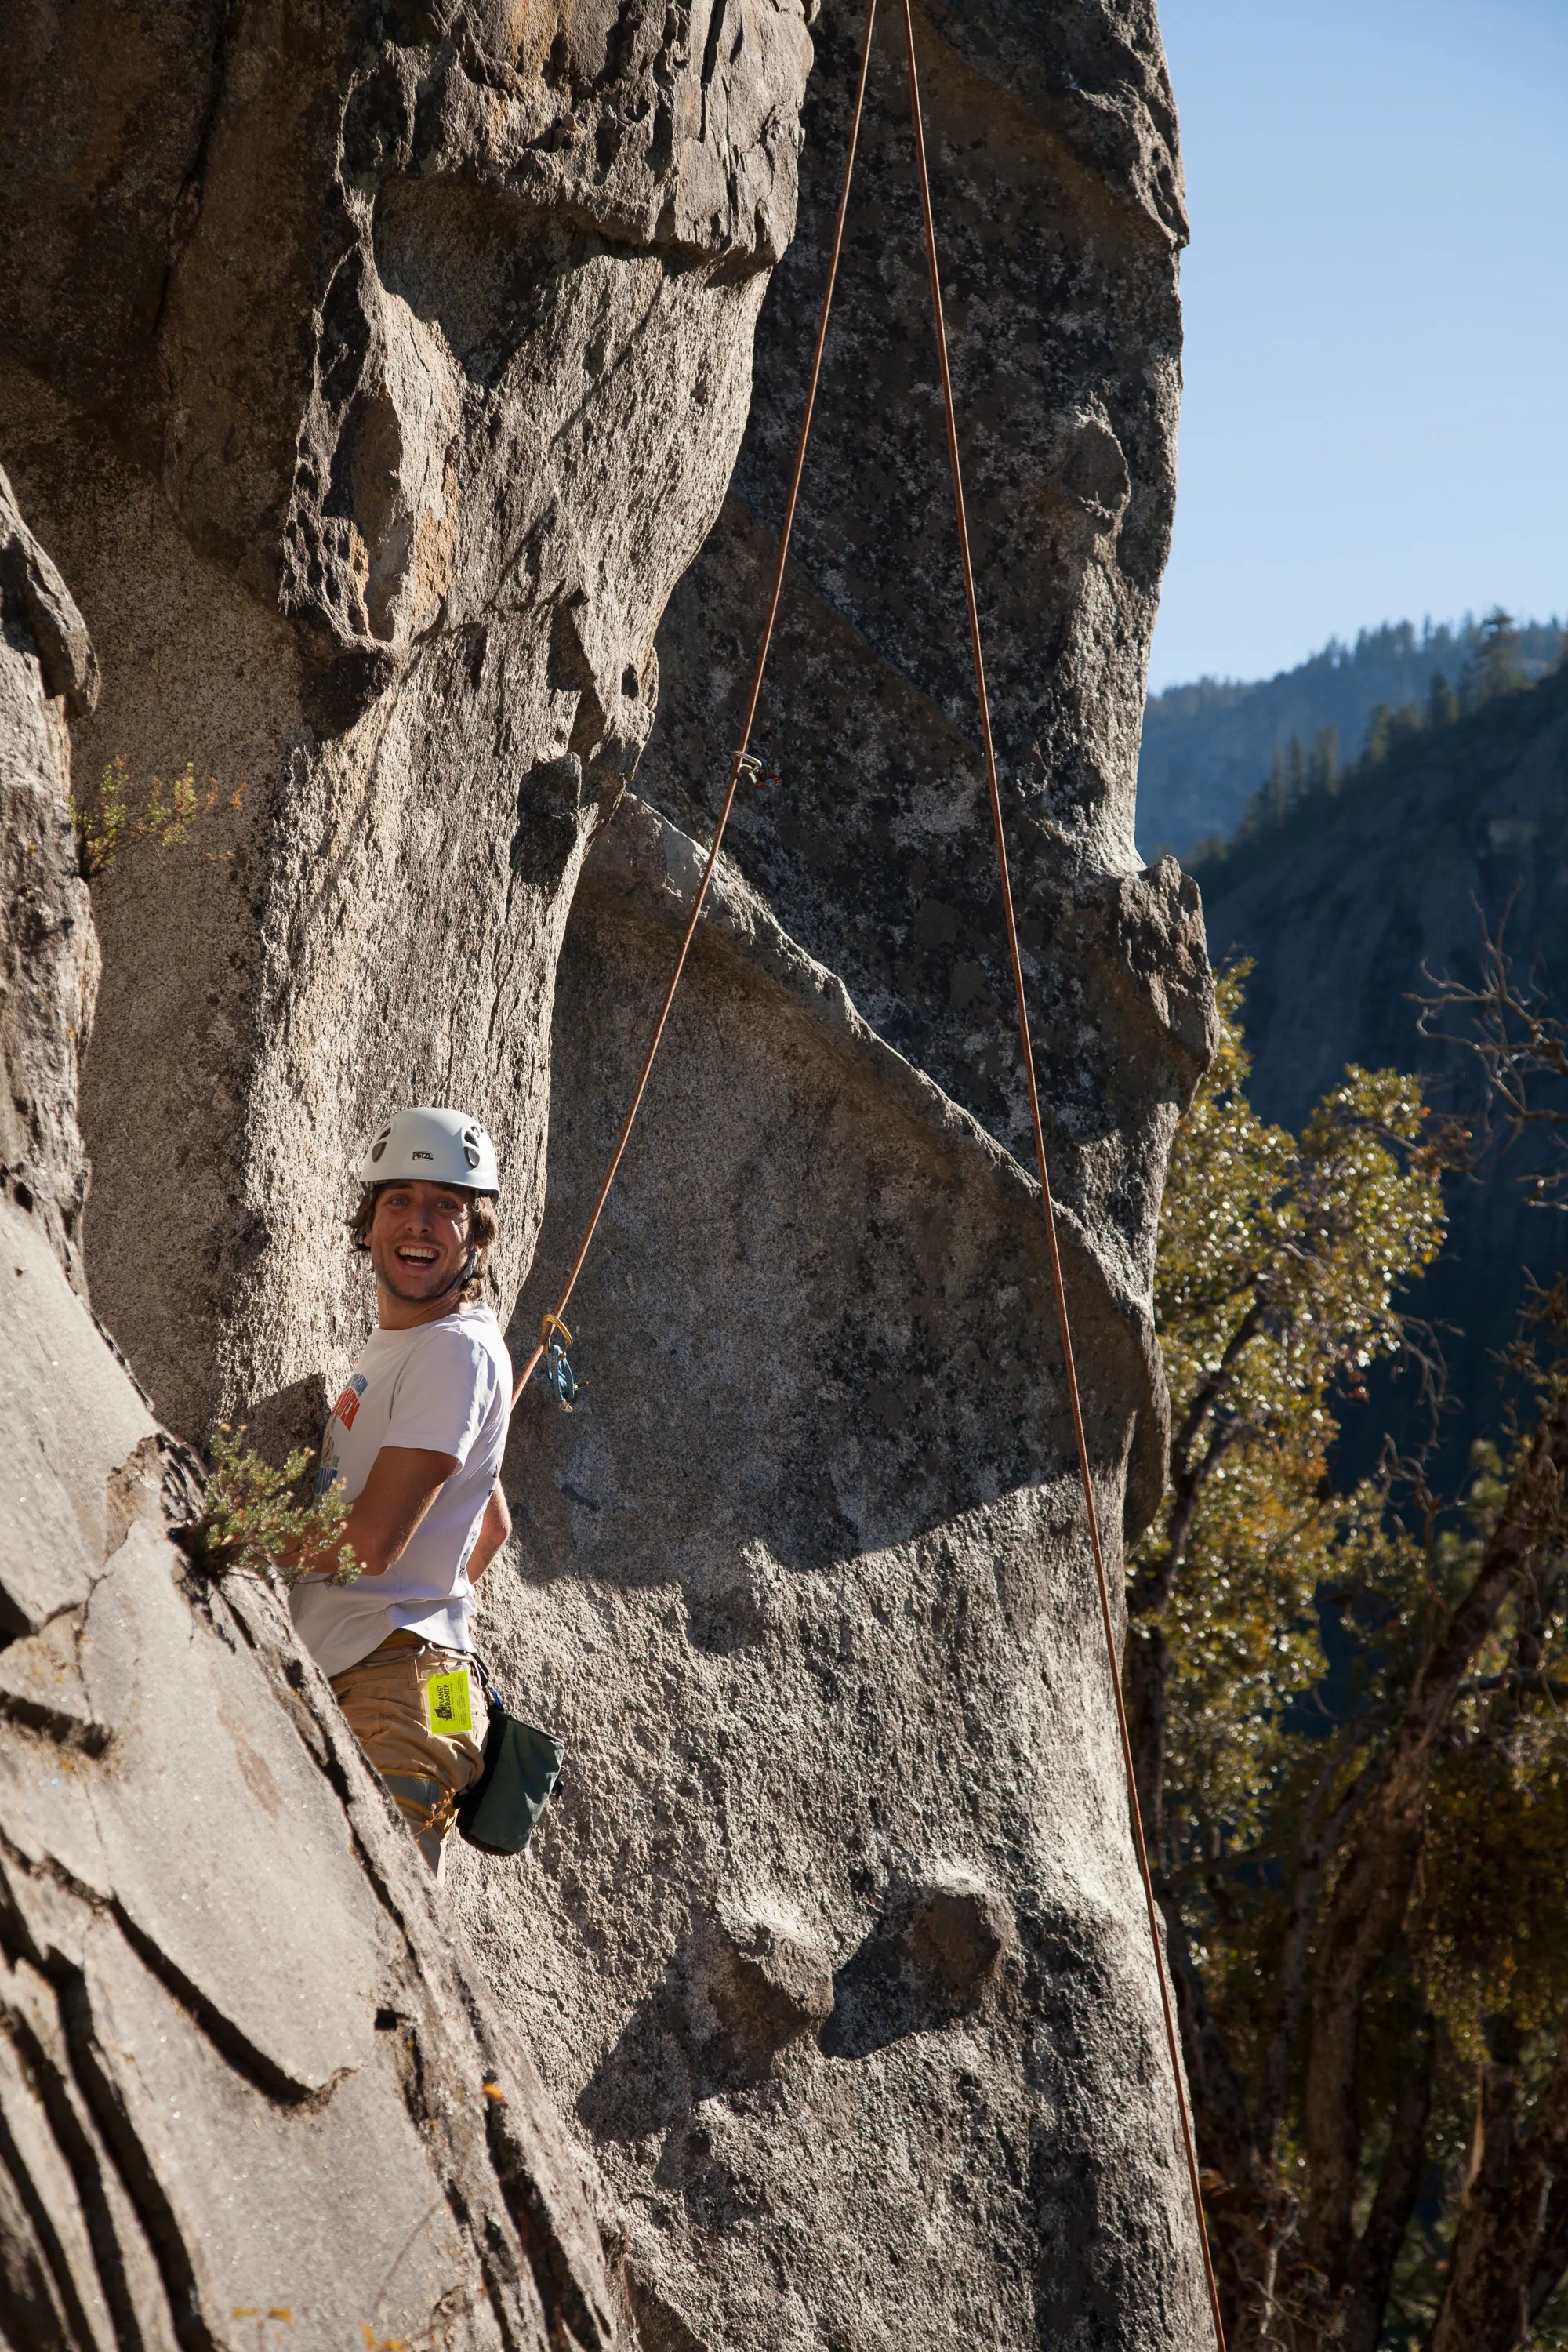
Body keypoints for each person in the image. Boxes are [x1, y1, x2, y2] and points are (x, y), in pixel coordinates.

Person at [292, 1107, 514, 1878]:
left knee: (357, 1960)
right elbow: (490, 1526)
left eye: (446, 1206)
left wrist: (223, 1534)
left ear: (475, 1234)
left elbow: (370, 1544)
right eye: (398, 1200)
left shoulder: (450, 1353)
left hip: (395, 1696)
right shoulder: (430, 1345)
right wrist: (427, 1613)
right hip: (428, 1681)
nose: (418, 1222)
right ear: (367, 1223)